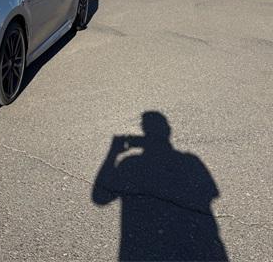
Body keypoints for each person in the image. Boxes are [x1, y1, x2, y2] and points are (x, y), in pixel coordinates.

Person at [92, 112, 228, 261]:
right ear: (168, 130)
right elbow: (210, 193)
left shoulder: (130, 163)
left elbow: (100, 197)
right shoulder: (191, 161)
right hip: (199, 242)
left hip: (141, 247)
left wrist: (113, 152)